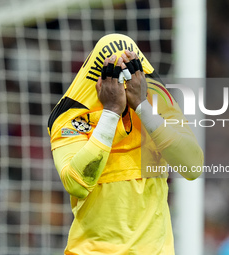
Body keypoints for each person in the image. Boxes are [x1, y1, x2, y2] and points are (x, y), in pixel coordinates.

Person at [47, 33, 203, 255]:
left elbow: (193, 166)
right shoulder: (71, 116)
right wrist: (110, 113)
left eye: (129, 71)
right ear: (99, 78)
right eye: (114, 74)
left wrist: (142, 106)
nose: (122, 80)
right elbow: (76, 183)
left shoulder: (157, 105)